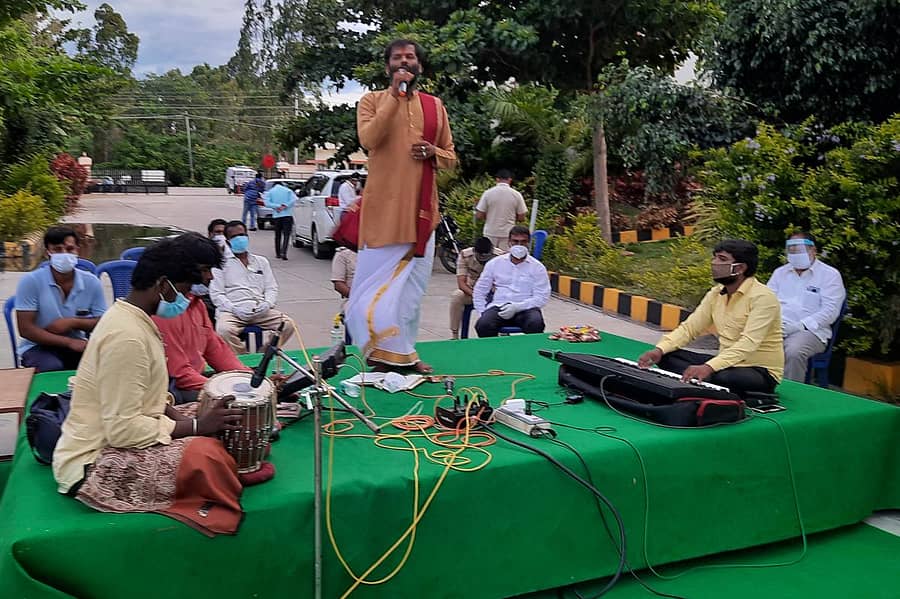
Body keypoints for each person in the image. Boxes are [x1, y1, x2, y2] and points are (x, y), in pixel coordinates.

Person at [52, 234, 247, 536]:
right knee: (207, 453)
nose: (188, 297)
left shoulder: (135, 319)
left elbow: (148, 397)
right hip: (92, 460)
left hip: (124, 429)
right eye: (185, 289)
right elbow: (122, 430)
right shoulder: (127, 336)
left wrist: (191, 420)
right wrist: (196, 427)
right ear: (163, 285)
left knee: (221, 420)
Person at [345, 39, 456, 373]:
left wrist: (433, 152)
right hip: (383, 214)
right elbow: (369, 139)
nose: (404, 61)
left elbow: (451, 156)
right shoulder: (372, 101)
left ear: (419, 66)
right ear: (388, 67)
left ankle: (405, 352)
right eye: (397, 57)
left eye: (410, 57)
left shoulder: (435, 106)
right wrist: (394, 96)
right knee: (373, 290)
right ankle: (377, 354)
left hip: (422, 213)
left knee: (412, 292)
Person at [637, 239, 784, 398]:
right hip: (725, 363)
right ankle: (705, 383)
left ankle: (708, 383)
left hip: (759, 370)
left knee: (723, 377)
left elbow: (748, 343)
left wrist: (708, 367)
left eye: (722, 259)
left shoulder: (763, 297)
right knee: (667, 356)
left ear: (740, 268)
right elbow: (690, 328)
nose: (714, 263)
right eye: (714, 257)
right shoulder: (716, 293)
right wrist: (659, 350)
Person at [153, 234, 251, 404]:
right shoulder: (167, 311)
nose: (210, 277)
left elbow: (216, 350)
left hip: (195, 379)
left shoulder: (197, 305)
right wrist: (225, 390)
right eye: (205, 270)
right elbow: (180, 375)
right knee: (237, 406)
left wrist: (249, 378)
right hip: (175, 389)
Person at [15, 226, 107, 372]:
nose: (64, 254)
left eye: (70, 249)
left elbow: (103, 322)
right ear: (47, 253)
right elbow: (26, 329)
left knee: (105, 364)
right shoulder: (31, 281)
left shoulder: (91, 282)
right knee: (52, 367)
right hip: (38, 346)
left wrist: (72, 322)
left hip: (77, 343)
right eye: (57, 249)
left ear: (77, 250)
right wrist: (68, 342)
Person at [766, 232, 846, 382]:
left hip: (811, 331)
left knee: (793, 351)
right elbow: (766, 301)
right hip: (777, 326)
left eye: (799, 251)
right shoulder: (780, 273)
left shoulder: (830, 275)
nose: (795, 255)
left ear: (813, 250)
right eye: (791, 251)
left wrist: (800, 325)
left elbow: (830, 311)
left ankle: (791, 392)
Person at [209, 220, 294, 354]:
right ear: (228, 241)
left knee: (288, 325)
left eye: (242, 235)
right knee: (223, 330)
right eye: (234, 237)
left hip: (259, 309)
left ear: (247, 236)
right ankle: (243, 358)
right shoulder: (220, 265)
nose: (239, 239)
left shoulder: (260, 261)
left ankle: (265, 353)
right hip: (233, 311)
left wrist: (267, 303)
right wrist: (234, 309)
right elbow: (216, 294)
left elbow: (271, 288)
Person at [473, 226, 550, 337]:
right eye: (515, 241)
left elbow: (542, 296)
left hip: (526, 308)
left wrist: (518, 307)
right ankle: (493, 349)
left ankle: (528, 349)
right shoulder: (495, 263)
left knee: (536, 323)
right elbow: (480, 290)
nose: (519, 245)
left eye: (523, 242)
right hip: (499, 306)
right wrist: (483, 312)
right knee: (483, 325)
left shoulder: (537, 267)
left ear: (529, 243)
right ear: (509, 242)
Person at [450, 237, 504, 339]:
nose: (483, 260)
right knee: (457, 296)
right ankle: (455, 335)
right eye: (480, 257)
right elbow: (461, 283)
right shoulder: (465, 255)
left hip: (495, 293)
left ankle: (502, 333)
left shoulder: (501, 257)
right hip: (473, 291)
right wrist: (477, 295)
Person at [475, 169, 527, 250]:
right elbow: (522, 217)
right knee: (505, 256)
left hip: (490, 232)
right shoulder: (516, 195)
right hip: (508, 233)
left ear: (497, 179)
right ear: (510, 180)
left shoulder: (488, 193)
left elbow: (479, 215)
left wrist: (488, 217)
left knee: (489, 255)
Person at [192, 219, 229, 323]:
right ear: (210, 234)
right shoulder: (201, 254)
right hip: (205, 296)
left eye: (223, 233)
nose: (221, 236)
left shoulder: (233, 256)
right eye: (217, 232)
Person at [262, 180, 297, 260]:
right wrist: (285, 205)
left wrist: (277, 206)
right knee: (286, 235)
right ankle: (284, 252)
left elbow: (266, 203)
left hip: (277, 216)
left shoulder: (270, 192)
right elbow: (294, 199)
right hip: (288, 215)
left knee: (277, 235)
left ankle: (278, 253)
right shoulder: (288, 190)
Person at [331, 245, 357, 316]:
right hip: (354, 303)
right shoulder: (343, 254)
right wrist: (357, 297)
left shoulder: (380, 253)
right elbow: (338, 284)